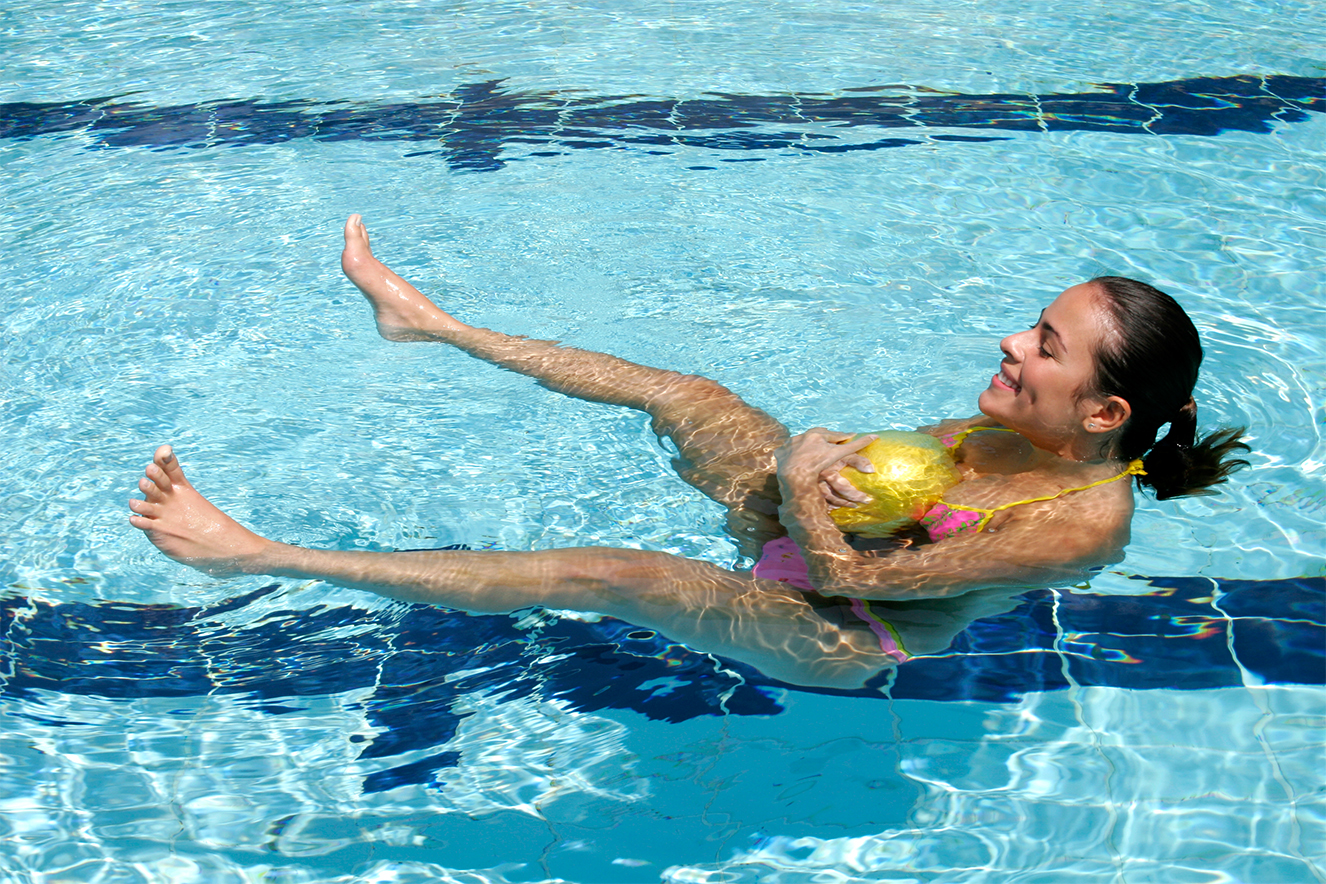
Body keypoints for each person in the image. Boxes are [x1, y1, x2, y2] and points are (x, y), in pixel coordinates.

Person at [128, 216, 1250, 688]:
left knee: (611, 571)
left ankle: (252, 553)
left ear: (1104, 414)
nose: (1012, 340)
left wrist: (806, 486)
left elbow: (859, 578)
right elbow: (894, 495)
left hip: (842, 633)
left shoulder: (1084, 518)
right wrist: (825, 470)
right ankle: (431, 322)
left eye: (1044, 343)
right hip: (824, 539)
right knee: (690, 394)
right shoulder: (1010, 417)